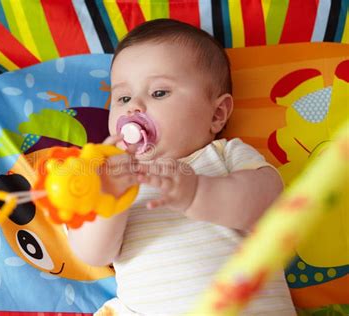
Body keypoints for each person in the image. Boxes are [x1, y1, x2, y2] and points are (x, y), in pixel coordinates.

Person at [68, 19, 295, 315]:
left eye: (159, 93)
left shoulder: (224, 156)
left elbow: (268, 206)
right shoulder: (106, 177)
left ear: (217, 114)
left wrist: (197, 192)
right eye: (123, 97)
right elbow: (93, 254)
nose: (133, 107)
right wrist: (109, 200)